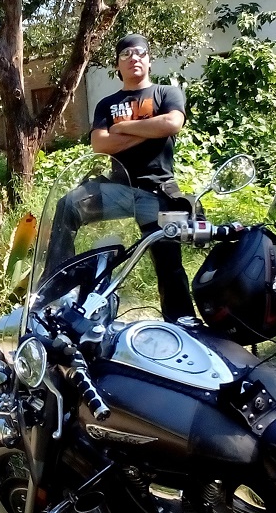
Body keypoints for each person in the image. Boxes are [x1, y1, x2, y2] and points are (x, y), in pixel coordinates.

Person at [43, 34, 195, 322]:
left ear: (149, 60)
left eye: (140, 53)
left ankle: (182, 323)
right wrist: (149, 129)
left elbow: (172, 122)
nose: (134, 58)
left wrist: (122, 129)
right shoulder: (106, 104)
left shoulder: (166, 93)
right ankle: (55, 291)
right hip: (117, 189)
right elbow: (100, 145)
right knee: (68, 205)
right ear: (117, 65)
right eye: (126, 54)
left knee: (168, 262)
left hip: (158, 191)